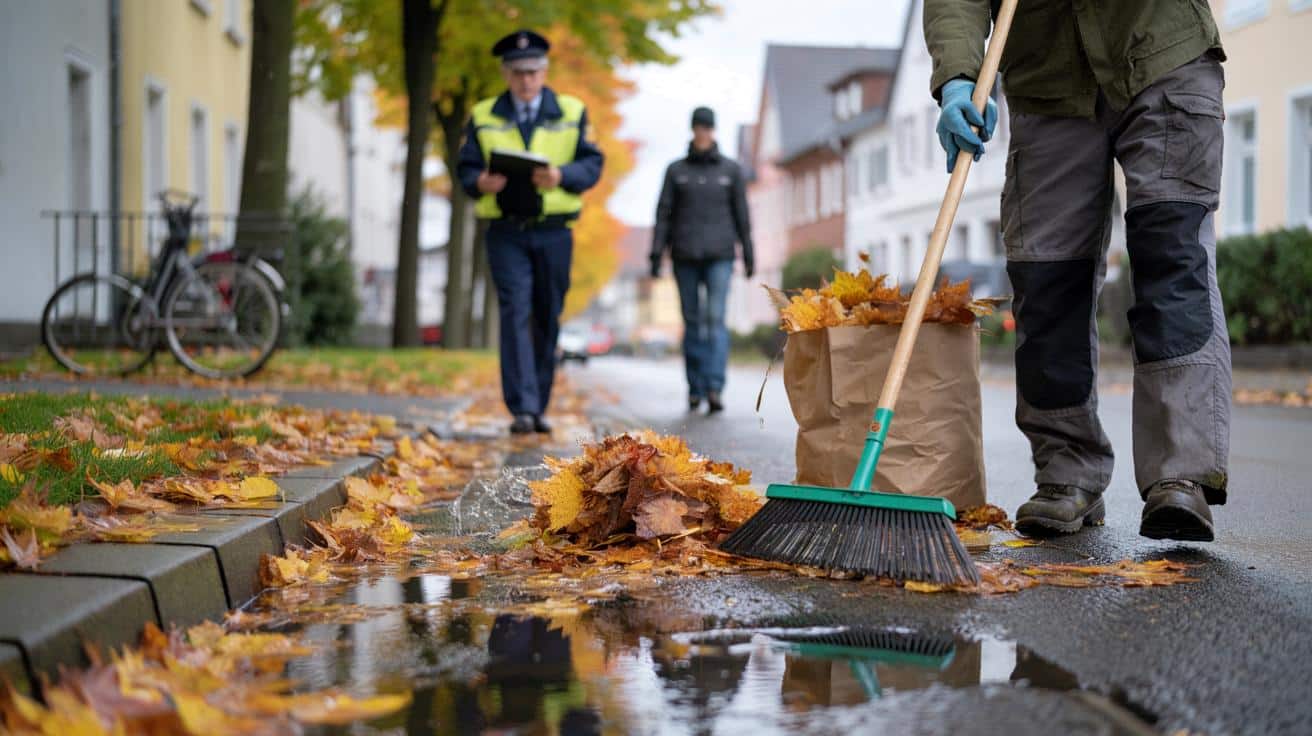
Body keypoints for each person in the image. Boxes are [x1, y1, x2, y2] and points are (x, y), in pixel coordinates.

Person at [925, 1, 1231, 541]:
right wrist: (958, 79)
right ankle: (1068, 473)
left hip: (1162, 50)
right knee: (1046, 280)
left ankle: (1180, 475)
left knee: (1171, 257)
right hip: (1047, 81)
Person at [457, 29, 603, 435]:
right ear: (506, 73)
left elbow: (592, 164)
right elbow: (466, 168)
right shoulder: (484, 114)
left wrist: (562, 174)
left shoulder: (572, 111)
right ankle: (521, 408)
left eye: (534, 71)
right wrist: (478, 183)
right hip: (506, 231)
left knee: (546, 316)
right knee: (514, 310)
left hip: (556, 232)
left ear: (545, 71)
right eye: (519, 72)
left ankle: (537, 403)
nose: (526, 80)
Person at [650, 106, 755, 414]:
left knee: (715, 319)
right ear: (692, 130)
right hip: (684, 255)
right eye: (699, 127)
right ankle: (695, 388)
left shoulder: (730, 171)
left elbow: (742, 215)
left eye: (708, 128)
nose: (703, 133)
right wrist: (656, 254)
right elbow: (663, 215)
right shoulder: (676, 171)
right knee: (692, 321)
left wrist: (748, 253)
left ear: (713, 131)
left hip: (720, 255)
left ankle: (714, 387)